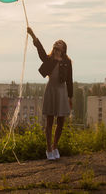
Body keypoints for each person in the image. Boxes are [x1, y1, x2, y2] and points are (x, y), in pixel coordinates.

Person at [27, 27, 73, 160]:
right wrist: (32, 34)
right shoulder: (48, 59)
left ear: (63, 49)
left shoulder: (67, 62)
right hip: (51, 90)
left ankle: (55, 146)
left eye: (60, 43)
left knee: (61, 121)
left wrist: (70, 97)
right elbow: (40, 49)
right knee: (49, 121)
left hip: (62, 92)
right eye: (56, 42)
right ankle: (48, 149)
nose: (57, 43)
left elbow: (69, 80)